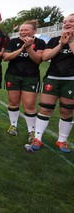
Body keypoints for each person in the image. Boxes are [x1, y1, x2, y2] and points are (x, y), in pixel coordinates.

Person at [31, 13, 74, 153]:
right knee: (46, 108)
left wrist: (71, 41)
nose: (66, 24)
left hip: (70, 80)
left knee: (66, 111)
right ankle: (38, 138)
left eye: (71, 21)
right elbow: (45, 56)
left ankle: (62, 140)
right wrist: (61, 44)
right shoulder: (55, 40)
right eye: (65, 22)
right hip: (52, 78)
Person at [3, 20, 45, 141]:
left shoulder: (40, 42)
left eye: (26, 30)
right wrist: (21, 49)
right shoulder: (13, 42)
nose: (22, 32)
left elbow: (38, 60)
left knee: (29, 105)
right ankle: (13, 125)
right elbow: (6, 57)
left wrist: (28, 48)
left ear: (34, 31)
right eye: (21, 30)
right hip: (13, 75)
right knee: (13, 102)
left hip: (31, 77)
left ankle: (32, 131)